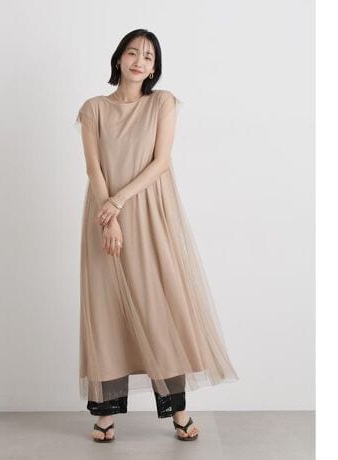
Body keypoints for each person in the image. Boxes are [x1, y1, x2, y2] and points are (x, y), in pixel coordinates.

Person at [75, 29, 239, 443]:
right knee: (106, 310)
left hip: (148, 213)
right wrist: (108, 216)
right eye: (132, 53)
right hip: (104, 217)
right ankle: (105, 414)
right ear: (118, 58)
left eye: (148, 57)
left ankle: (178, 410)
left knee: (160, 308)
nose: (139, 61)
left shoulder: (162, 102)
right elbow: (94, 169)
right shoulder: (93, 108)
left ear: (154, 68)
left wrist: (119, 202)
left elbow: (161, 162)